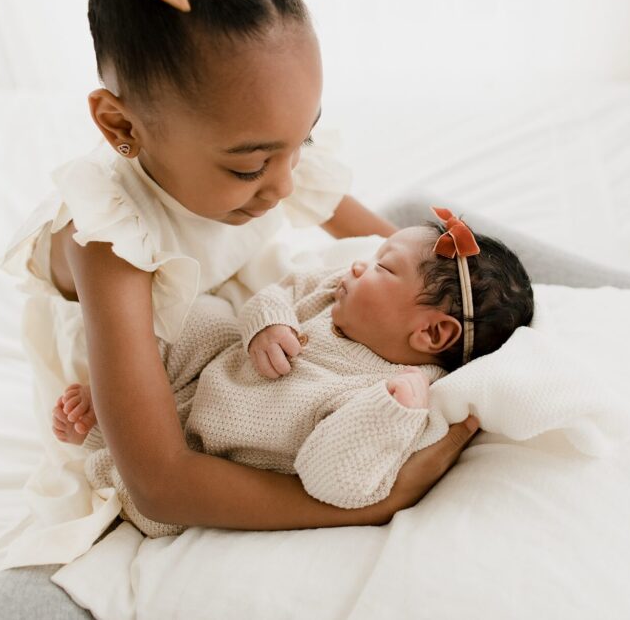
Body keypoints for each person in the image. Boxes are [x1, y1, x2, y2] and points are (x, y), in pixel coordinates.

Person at [0, 0, 630, 617]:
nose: (282, 183)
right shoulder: (109, 241)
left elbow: (413, 256)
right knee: (32, 594)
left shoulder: (272, 161)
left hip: (263, 324)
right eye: (249, 166)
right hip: (150, 409)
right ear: (122, 126)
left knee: (424, 222)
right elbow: (159, 477)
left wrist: (435, 307)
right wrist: (368, 506)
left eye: (301, 142)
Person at [54, 217, 534, 536]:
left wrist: (391, 410)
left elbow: (335, 481)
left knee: (152, 456)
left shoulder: (400, 397)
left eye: (383, 267)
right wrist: (269, 322)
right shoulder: (332, 292)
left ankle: (112, 429)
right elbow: (278, 290)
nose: (359, 265)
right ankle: (124, 391)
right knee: (208, 316)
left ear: (431, 334)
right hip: (211, 371)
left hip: (212, 450)